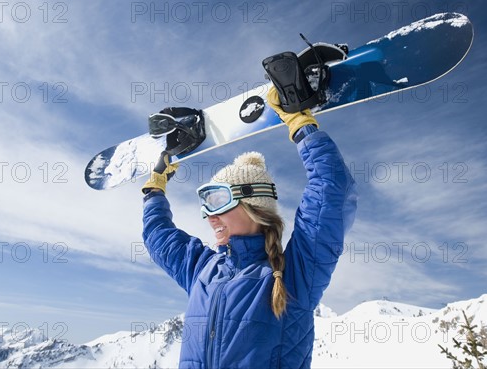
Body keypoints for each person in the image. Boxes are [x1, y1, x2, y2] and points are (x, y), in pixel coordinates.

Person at [141, 86, 358, 369]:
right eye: (205, 204)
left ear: (256, 207)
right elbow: (159, 238)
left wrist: (302, 127)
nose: (209, 216)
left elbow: (331, 194)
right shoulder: (203, 270)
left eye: (217, 200)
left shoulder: (296, 275)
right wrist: (154, 190)